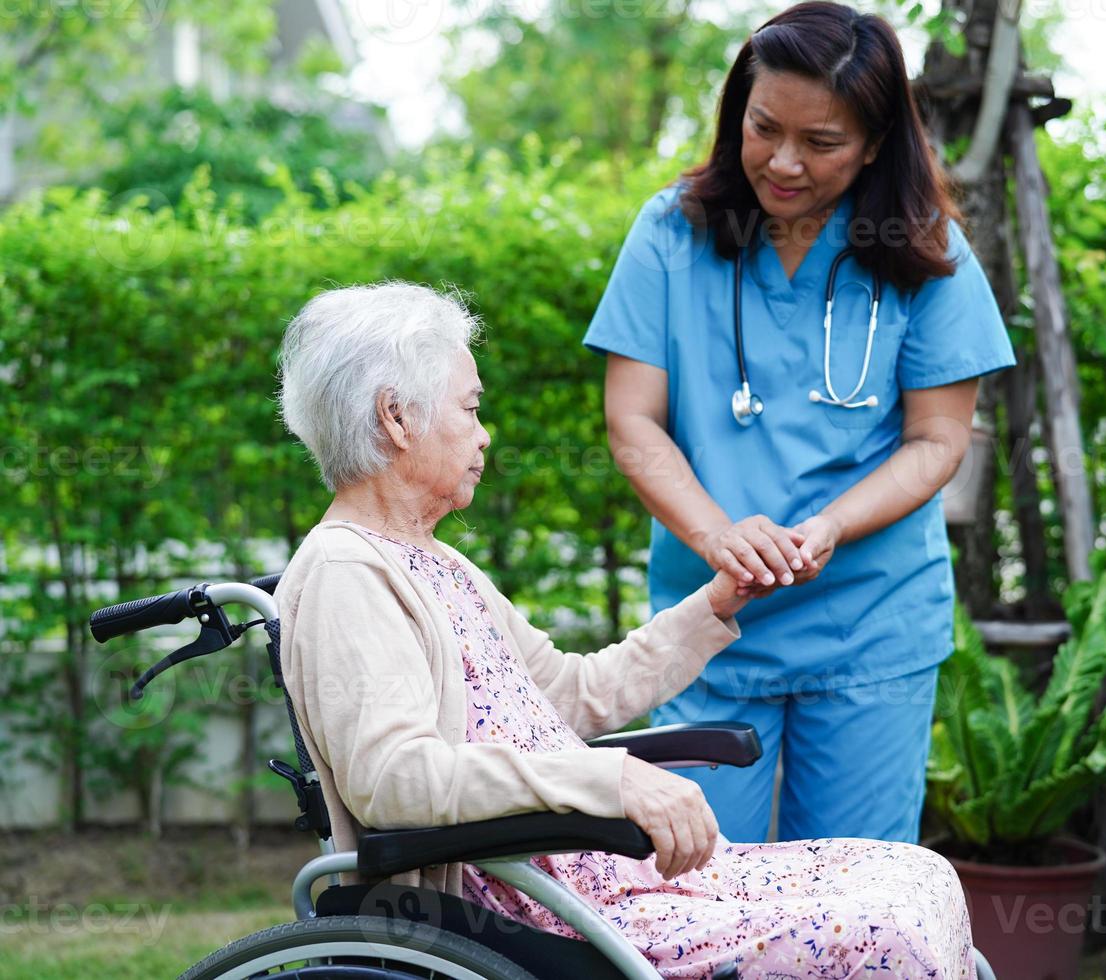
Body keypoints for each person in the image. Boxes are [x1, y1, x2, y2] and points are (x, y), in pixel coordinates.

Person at [273, 281, 977, 978]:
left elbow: (575, 693)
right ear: (396, 417)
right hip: (545, 910)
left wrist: (717, 604)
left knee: (915, 873)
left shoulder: (437, 563)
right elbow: (395, 780)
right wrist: (606, 781)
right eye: (471, 408)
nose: (485, 434)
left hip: (604, 883)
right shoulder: (347, 573)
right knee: (886, 925)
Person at [584, 1, 1015, 845]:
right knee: (699, 890)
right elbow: (633, 420)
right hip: (708, 621)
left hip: (870, 627)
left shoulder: (924, 250)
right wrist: (717, 537)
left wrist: (827, 528)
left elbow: (939, 440)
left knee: (854, 895)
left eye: (821, 143)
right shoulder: (673, 233)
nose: (782, 163)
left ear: (876, 141)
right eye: (763, 127)